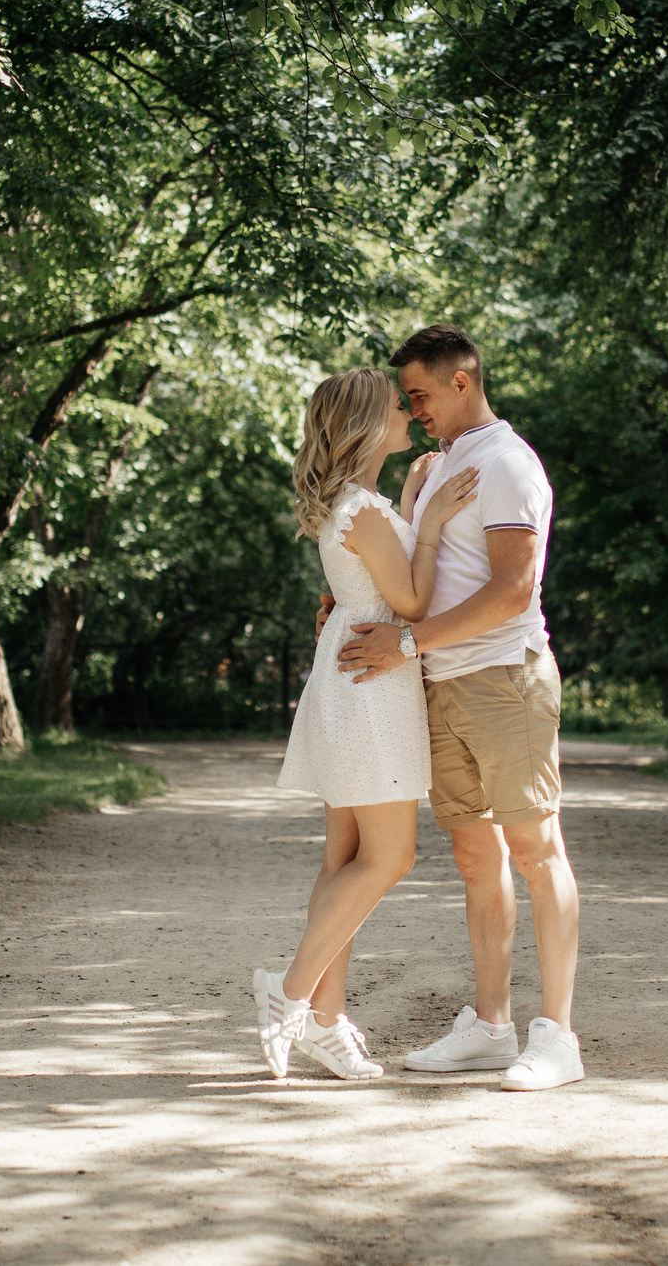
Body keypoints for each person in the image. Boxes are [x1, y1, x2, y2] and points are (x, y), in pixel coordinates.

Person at [332, 324, 583, 1092]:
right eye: (407, 399)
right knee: (478, 858)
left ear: (463, 380)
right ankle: (490, 1026)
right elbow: (415, 566)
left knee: (537, 850)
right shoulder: (441, 468)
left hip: (505, 678)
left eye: (420, 395)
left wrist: (405, 642)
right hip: (442, 682)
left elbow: (511, 590)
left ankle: (559, 1038)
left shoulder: (508, 463)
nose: (413, 410)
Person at [253, 367, 480, 1081]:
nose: (408, 414)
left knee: (344, 857)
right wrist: (437, 519)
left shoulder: (355, 504)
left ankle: (324, 1021)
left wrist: (415, 500)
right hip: (371, 688)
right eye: (395, 407)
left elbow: (380, 566)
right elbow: (412, 599)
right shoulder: (364, 511)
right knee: (390, 857)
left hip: (349, 678)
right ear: (364, 424)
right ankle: (289, 992)